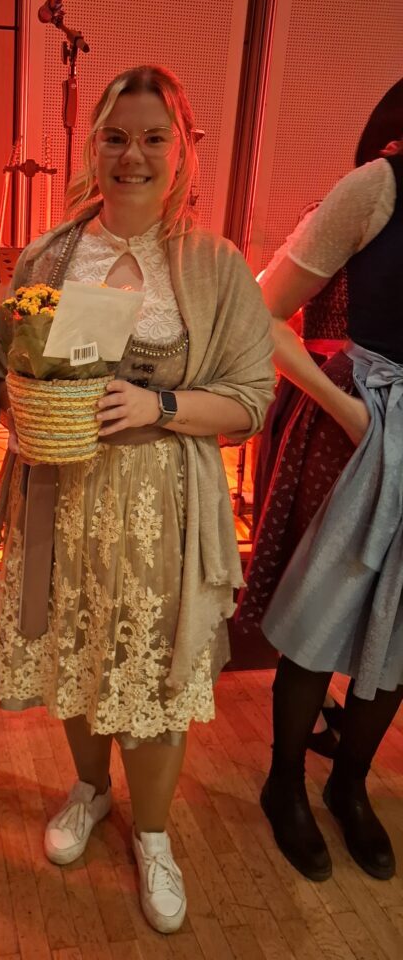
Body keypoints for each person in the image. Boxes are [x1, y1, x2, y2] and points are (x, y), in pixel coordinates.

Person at [0, 66, 274, 933]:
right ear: (93, 146)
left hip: (162, 512)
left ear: (183, 150)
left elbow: (250, 400)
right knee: (75, 658)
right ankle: (89, 789)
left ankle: (153, 835)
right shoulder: (49, 254)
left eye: (154, 138)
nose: (133, 156)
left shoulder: (216, 266)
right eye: (116, 137)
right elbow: (11, 360)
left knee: (151, 675)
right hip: (63, 496)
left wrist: (160, 407)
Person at [236, 139, 403, 883]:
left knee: (401, 629)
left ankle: (349, 784)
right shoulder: (377, 187)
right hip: (358, 426)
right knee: (319, 612)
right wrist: (351, 411)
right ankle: (284, 785)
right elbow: (263, 311)